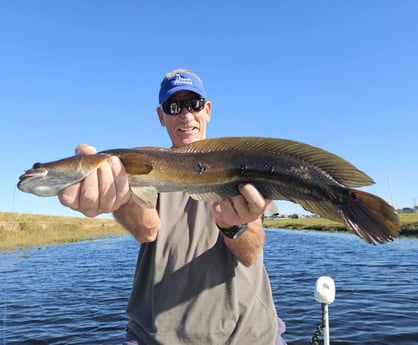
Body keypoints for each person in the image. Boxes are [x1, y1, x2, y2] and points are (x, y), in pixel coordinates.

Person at [59, 69, 287, 345]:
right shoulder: (140, 167)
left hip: (247, 337)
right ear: (161, 116)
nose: (186, 115)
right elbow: (147, 230)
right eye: (174, 106)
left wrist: (234, 227)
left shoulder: (242, 167)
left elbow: (250, 254)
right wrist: (121, 199)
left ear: (208, 110)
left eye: (194, 104)